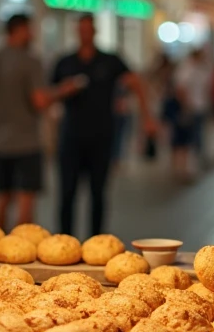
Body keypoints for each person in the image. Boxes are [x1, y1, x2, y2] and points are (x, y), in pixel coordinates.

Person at [52, 14, 155, 237]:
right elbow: (47, 95)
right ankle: (65, 241)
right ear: (76, 32)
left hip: (101, 136)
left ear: (94, 31)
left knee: (98, 193)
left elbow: (136, 83)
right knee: (67, 193)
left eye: (88, 29)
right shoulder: (65, 62)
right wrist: (64, 90)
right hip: (71, 137)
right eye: (81, 29)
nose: (85, 33)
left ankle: (96, 242)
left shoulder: (109, 60)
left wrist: (147, 118)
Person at [0, 14, 50, 231]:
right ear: (19, 30)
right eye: (30, 29)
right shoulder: (30, 61)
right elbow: (40, 101)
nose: (32, 35)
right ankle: (20, 248)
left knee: (1, 195)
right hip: (26, 141)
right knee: (25, 198)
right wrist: (63, 92)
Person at [173, 49, 214, 167]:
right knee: (189, 137)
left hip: (201, 106)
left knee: (199, 134)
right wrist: (186, 106)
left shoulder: (202, 70)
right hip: (191, 107)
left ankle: (198, 159)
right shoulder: (186, 70)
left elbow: (206, 88)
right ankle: (189, 163)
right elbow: (181, 89)